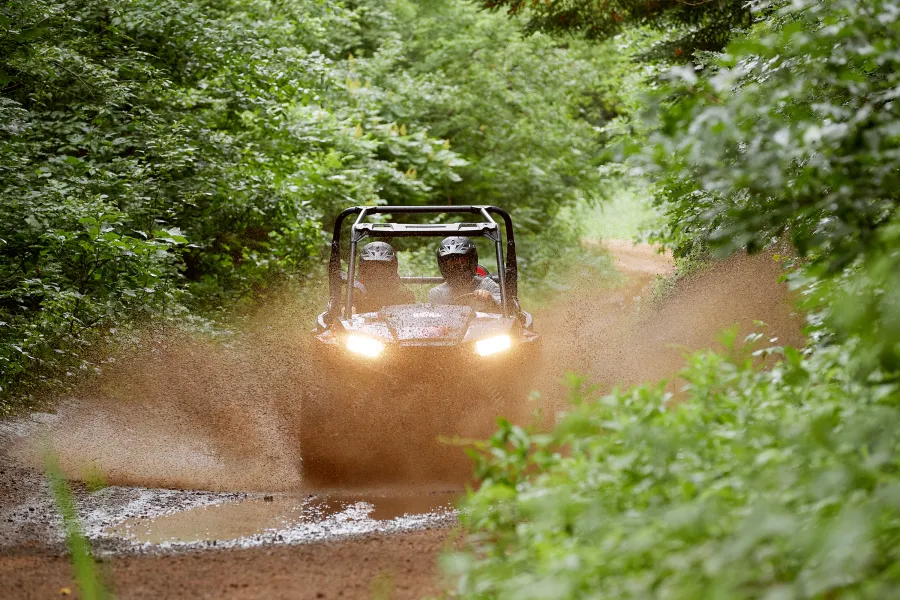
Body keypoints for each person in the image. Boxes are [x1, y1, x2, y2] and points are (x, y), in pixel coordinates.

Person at [428, 236, 501, 312]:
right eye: (452, 264)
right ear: (443, 266)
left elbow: (506, 312)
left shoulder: (487, 285)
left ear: (471, 262)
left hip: (485, 323)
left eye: (461, 263)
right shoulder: (437, 293)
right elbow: (435, 321)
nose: (457, 270)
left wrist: (491, 300)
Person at [353, 241, 414, 312]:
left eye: (382, 265)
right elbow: (344, 314)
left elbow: (407, 317)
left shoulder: (404, 293)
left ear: (392, 267)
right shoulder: (354, 291)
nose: (377, 270)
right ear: (363, 267)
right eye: (371, 266)